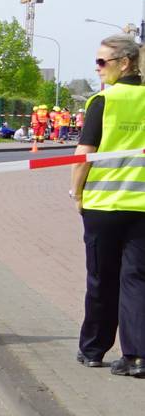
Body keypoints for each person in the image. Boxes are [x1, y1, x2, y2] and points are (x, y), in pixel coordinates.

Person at [78, 32, 145, 374]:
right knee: (136, 280)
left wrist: (77, 192)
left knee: (101, 278)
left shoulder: (103, 101)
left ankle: (93, 349)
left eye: (103, 61)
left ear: (125, 62)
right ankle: (136, 357)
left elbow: (84, 155)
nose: (98, 68)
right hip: (142, 207)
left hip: (103, 205)